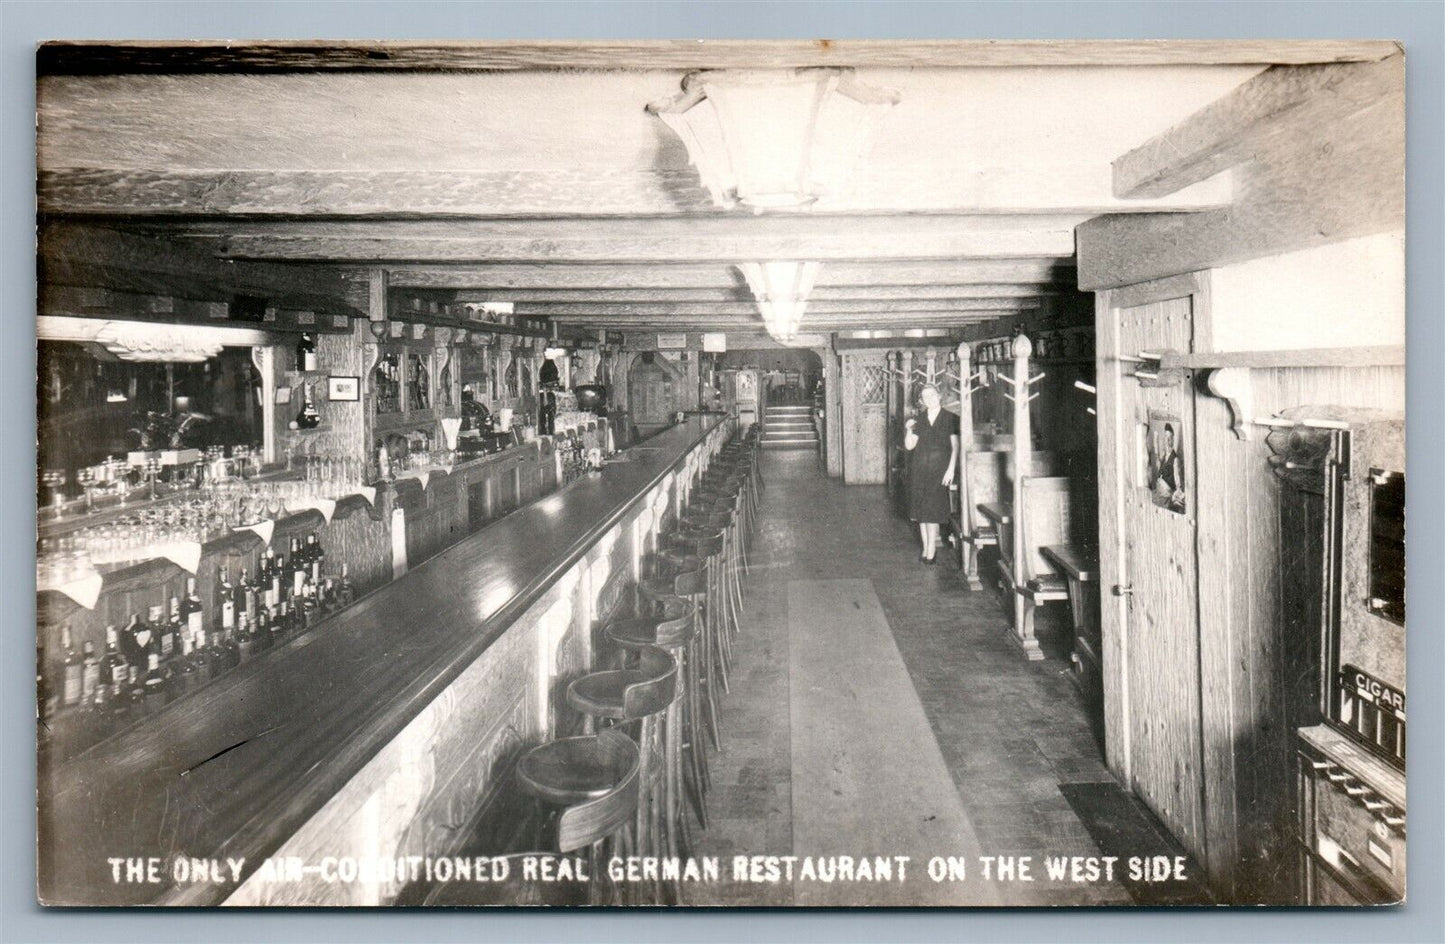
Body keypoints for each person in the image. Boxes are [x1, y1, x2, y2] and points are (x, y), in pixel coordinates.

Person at [903, 384, 960, 564]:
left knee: (932, 510)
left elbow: (955, 447)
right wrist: (909, 429)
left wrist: (951, 469)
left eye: (932, 395)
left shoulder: (951, 418)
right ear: (921, 400)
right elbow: (909, 446)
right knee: (921, 510)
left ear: (939, 396)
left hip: (940, 469)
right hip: (920, 468)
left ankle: (932, 550)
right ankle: (926, 547)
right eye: (925, 397)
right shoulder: (919, 419)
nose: (929, 399)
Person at [1152, 422, 1186, 512]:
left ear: (1173, 440)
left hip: (1166, 499)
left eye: (1169, 439)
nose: (1167, 441)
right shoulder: (1164, 456)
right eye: (1165, 438)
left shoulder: (1175, 460)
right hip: (1159, 495)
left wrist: (1176, 495)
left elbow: (1178, 484)